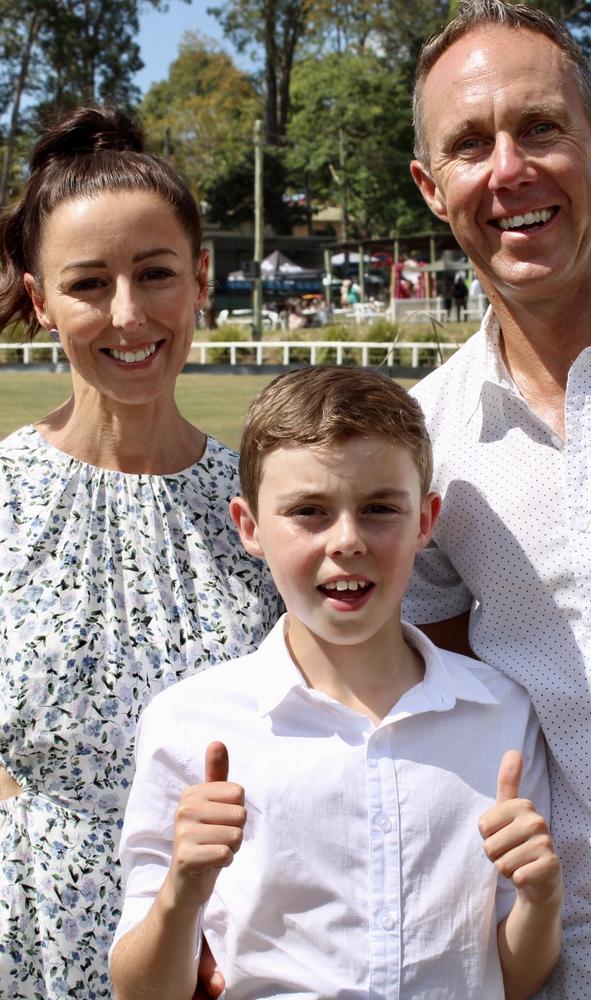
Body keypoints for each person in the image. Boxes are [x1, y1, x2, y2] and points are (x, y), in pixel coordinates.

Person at [110, 365, 563, 1000]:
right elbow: (140, 990)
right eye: (309, 513)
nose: (346, 540)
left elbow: (514, 978)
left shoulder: (500, 713)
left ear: (426, 520)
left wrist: (540, 897)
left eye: (379, 508)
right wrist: (183, 889)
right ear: (249, 527)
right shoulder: (191, 722)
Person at [0, 105, 280, 1000]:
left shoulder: (264, 506)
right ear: (41, 301)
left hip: (226, 949)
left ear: (201, 278)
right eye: (88, 284)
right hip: (28, 937)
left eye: (155, 273)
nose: (128, 314)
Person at [407, 1, 591, 997]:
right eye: (469, 145)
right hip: (565, 967)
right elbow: (440, 707)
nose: (506, 170)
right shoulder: (420, 445)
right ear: (431, 187)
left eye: (538, 128)